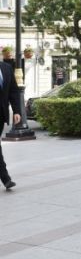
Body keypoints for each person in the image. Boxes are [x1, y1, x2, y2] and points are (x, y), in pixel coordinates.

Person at [0, 60, 22, 190]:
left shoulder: (7, 68)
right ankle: (6, 179)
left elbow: (13, 91)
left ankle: (6, 179)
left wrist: (17, 111)